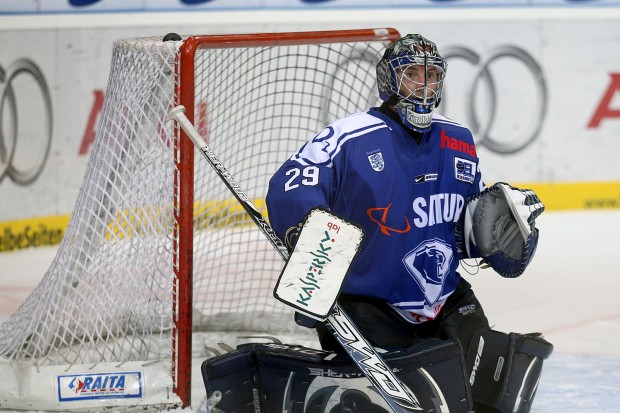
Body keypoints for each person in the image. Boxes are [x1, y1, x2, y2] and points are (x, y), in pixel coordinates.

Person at [266, 34, 552, 413]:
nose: (424, 86)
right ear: (389, 80)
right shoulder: (349, 136)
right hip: (367, 303)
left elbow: (466, 225)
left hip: (445, 300)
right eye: (412, 74)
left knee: (495, 390)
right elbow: (289, 186)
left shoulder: (458, 139)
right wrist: (311, 251)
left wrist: (504, 232)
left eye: (432, 75)